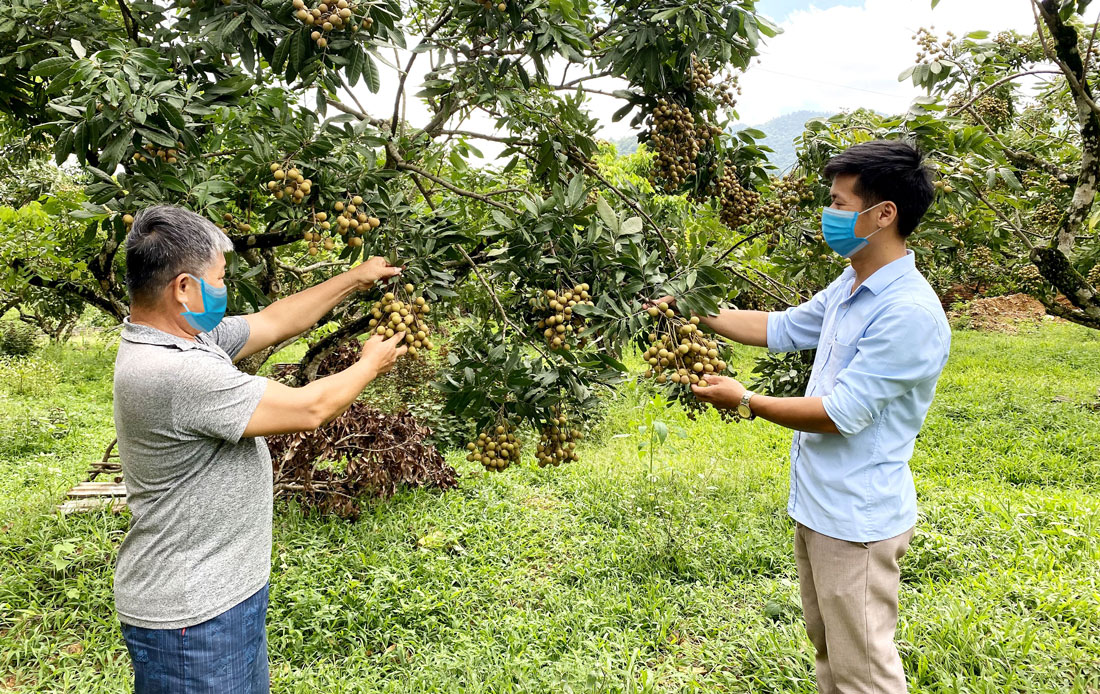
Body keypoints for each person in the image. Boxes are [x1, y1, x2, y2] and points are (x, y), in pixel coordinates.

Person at [657, 140, 950, 693]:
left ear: (883, 214)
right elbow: (784, 327)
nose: (830, 215)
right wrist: (688, 306)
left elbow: (841, 414)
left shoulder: (907, 312)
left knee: (864, 671)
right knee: (832, 655)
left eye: (840, 204)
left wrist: (745, 401)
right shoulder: (853, 284)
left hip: (857, 520)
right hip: (820, 505)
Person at [113, 204, 406, 693]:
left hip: (223, 597)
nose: (224, 289)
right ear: (184, 288)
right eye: (220, 278)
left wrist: (356, 278)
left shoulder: (189, 337)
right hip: (192, 618)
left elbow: (275, 321)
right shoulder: (176, 372)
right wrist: (369, 364)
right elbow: (310, 408)